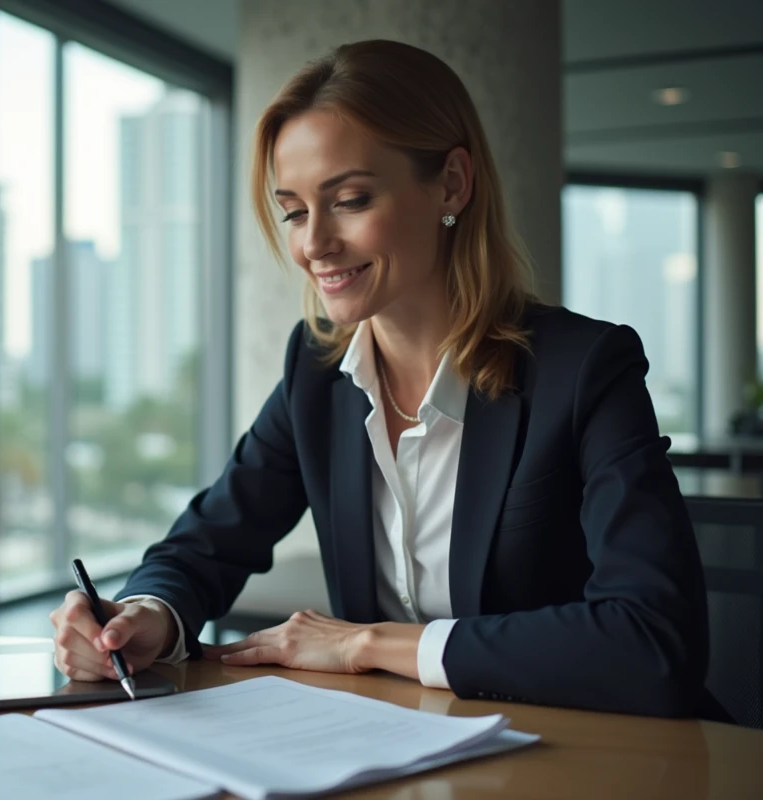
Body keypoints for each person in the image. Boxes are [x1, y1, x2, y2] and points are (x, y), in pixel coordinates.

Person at [50, 39, 711, 718]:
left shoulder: (585, 370)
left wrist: (371, 644)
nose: (314, 244)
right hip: (404, 755)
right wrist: (142, 617)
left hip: (597, 756)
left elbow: (653, 642)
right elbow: (205, 545)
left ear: (452, 183)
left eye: (351, 199)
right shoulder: (316, 374)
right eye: (296, 211)